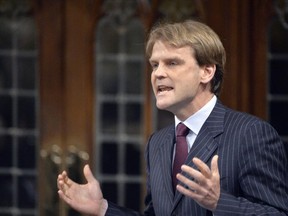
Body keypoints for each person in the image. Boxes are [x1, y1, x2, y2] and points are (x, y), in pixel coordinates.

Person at [57, 19, 288, 215]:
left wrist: (219, 203)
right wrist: (102, 209)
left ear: (206, 71)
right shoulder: (158, 143)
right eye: (154, 65)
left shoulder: (251, 133)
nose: (158, 73)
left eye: (172, 63)